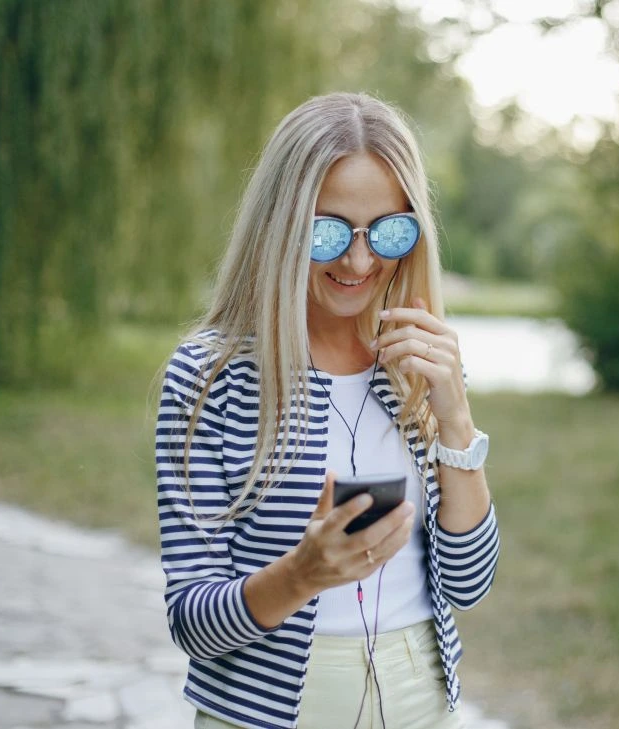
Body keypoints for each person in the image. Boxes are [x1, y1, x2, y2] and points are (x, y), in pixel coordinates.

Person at [154, 92, 500, 729]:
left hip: (417, 693)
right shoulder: (211, 377)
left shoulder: (416, 364)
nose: (359, 261)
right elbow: (191, 623)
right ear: (281, 224)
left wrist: (455, 417)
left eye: (388, 231)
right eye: (328, 230)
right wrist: (301, 574)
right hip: (269, 709)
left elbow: (469, 583)